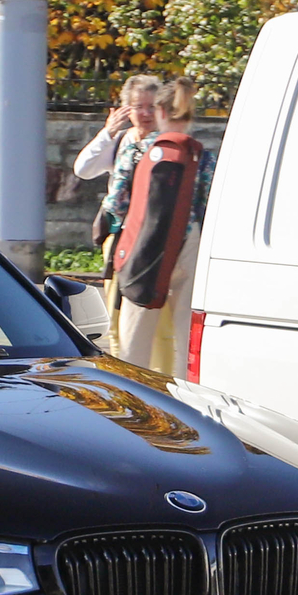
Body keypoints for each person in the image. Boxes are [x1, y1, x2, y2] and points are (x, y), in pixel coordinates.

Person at [109, 79, 211, 378]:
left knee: (132, 342)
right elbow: (205, 205)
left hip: (144, 249)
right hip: (189, 245)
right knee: (185, 339)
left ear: (160, 112)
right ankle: (185, 402)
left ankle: (135, 403)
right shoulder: (203, 156)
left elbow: (115, 203)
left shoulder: (137, 150)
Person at [72, 75, 166, 282]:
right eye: (138, 106)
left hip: (156, 232)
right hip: (121, 233)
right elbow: (83, 169)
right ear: (126, 109)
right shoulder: (120, 140)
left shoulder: (168, 143)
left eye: (151, 106)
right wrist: (107, 133)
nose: (145, 113)